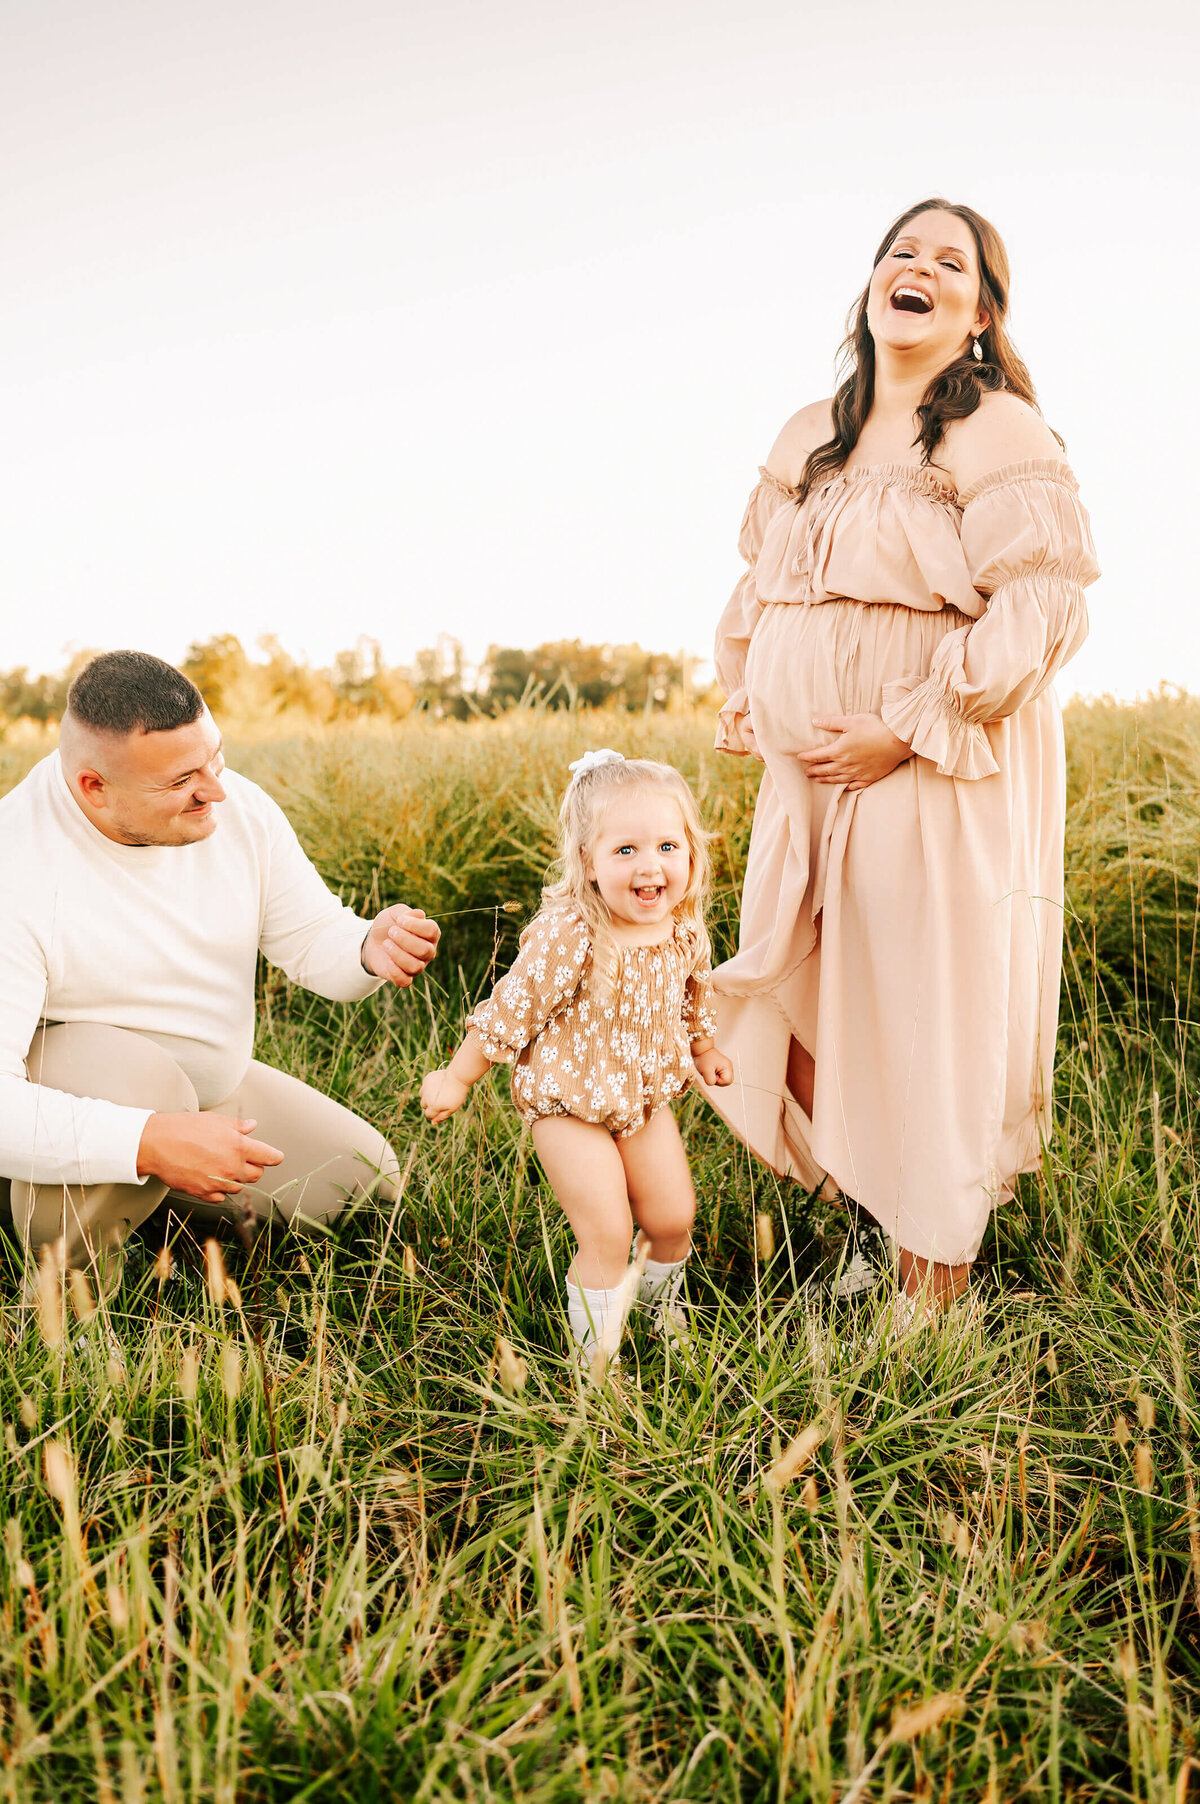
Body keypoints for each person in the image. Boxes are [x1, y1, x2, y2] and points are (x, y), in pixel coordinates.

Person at [701, 198, 1099, 1320]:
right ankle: (884, 1224)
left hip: (932, 761)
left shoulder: (997, 430)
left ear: (980, 313)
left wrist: (909, 722)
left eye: (949, 260)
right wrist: (748, 687)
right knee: (805, 989)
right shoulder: (808, 437)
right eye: (900, 250)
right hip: (809, 775)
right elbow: (760, 588)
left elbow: (1044, 609)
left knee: (923, 1010)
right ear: (871, 283)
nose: (916, 266)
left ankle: (934, 1297)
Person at [0, 650, 441, 1295]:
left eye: (216, 758)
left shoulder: (237, 812)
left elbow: (314, 935)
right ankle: (69, 1289)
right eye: (182, 780)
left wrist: (367, 948)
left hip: (207, 1096)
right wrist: (149, 1142)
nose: (216, 791)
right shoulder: (17, 868)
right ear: (95, 786)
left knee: (361, 1186)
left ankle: (155, 1203)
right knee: (136, 1085)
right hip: (96, 1091)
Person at [420, 750, 732, 1370]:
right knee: (609, 1233)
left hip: (641, 1098)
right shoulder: (573, 935)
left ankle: (660, 1315)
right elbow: (513, 1008)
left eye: (668, 846)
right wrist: (457, 1077)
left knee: (673, 1217)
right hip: (569, 1102)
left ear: (691, 854)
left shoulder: (683, 930)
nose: (651, 867)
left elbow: (695, 993)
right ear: (587, 862)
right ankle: (597, 1363)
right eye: (626, 851)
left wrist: (703, 1047)